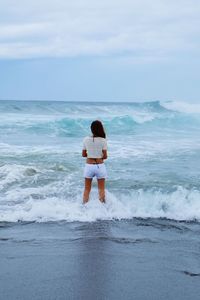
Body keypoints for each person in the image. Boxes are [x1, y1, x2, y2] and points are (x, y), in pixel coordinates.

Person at [82, 120, 108, 204]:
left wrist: (91, 153)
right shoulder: (103, 140)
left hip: (89, 166)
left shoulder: (86, 139)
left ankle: (83, 208)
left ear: (91, 129)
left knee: (87, 189)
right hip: (100, 166)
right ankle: (103, 209)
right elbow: (105, 156)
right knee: (101, 189)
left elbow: (83, 154)